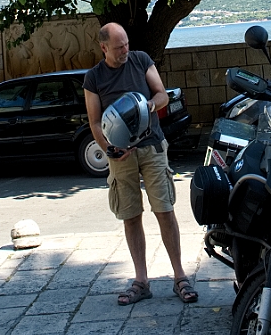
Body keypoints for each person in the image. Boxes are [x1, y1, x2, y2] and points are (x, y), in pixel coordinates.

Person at [83, 22, 198, 306]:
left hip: (152, 147)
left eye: (126, 44)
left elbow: (161, 95)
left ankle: (180, 276)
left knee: (164, 209)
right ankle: (141, 281)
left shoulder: (141, 60)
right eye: (119, 47)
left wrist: (147, 106)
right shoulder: (94, 78)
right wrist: (109, 148)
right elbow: (95, 123)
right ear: (104, 48)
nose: (125, 50)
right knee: (131, 215)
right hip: (122, 155)